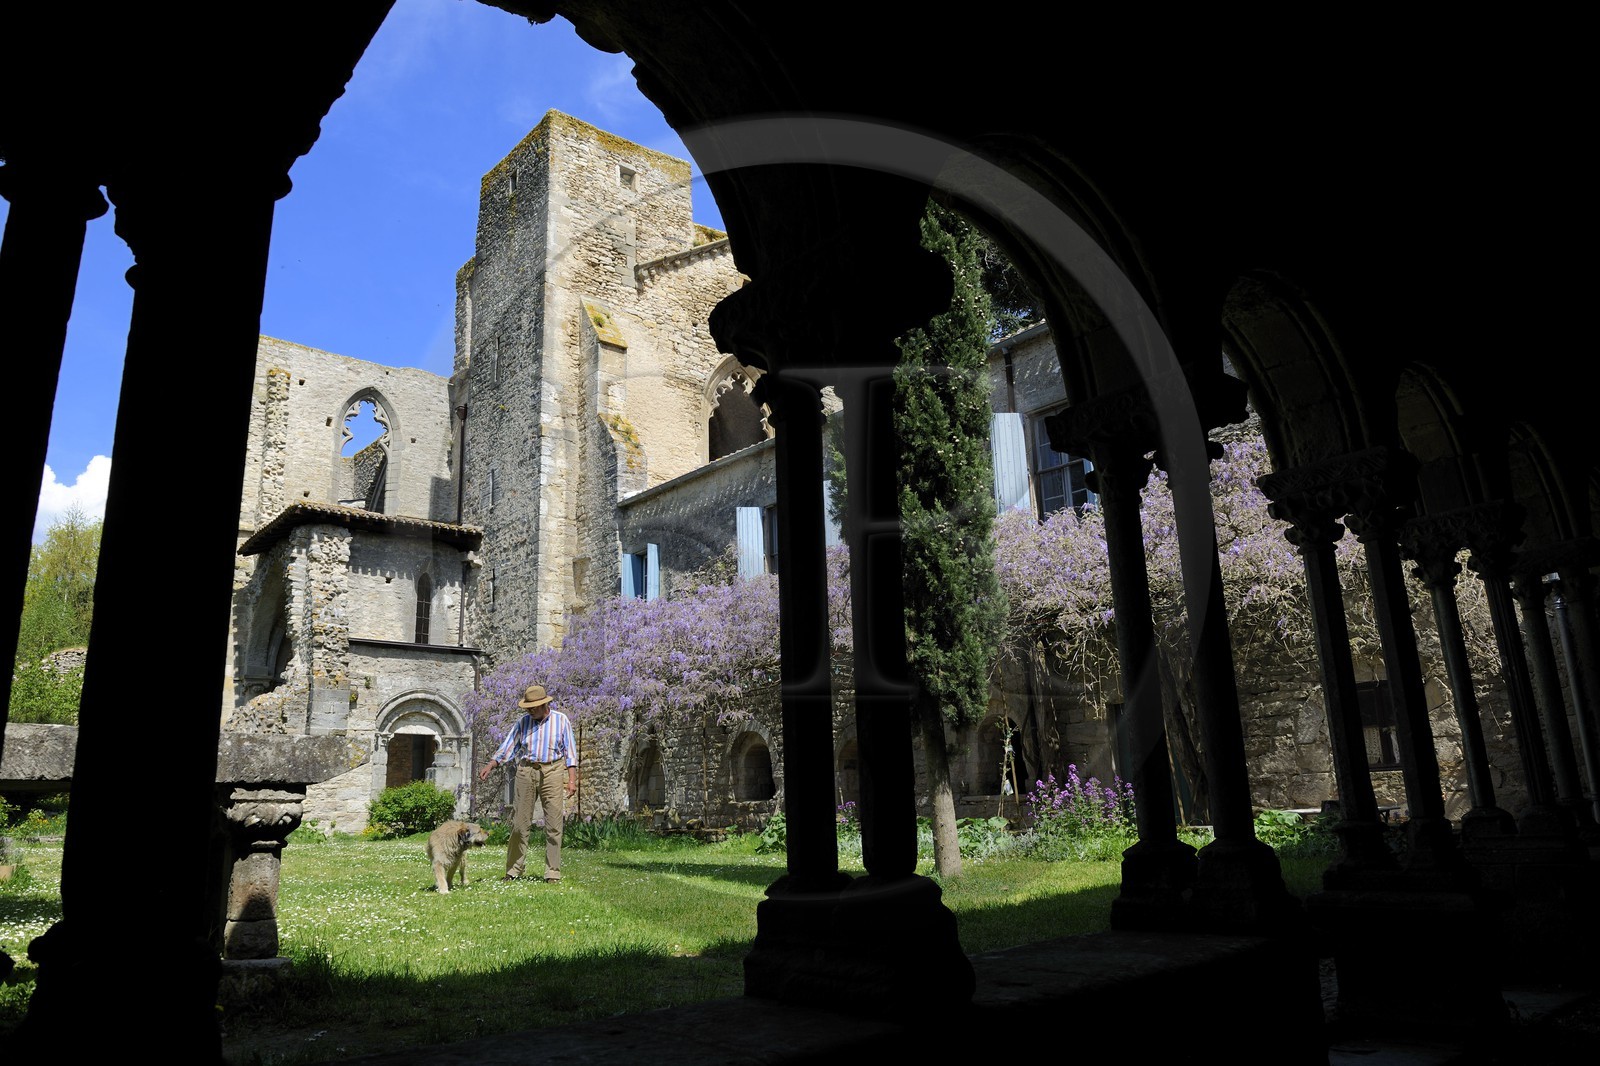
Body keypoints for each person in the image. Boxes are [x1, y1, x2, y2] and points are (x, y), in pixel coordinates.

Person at [479, 683, 578, 882]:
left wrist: (572, 780)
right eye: (528, 707)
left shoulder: (561, 720)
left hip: (552, 770)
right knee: (519, 824)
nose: (530, 710)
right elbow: (509, 746)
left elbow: (570, 752)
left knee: (554, 824)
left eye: (533, 707)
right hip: (526, 770)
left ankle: (552, 872)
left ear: (544, 705)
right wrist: (491, 764)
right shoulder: (523, 723)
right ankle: (513, 870)